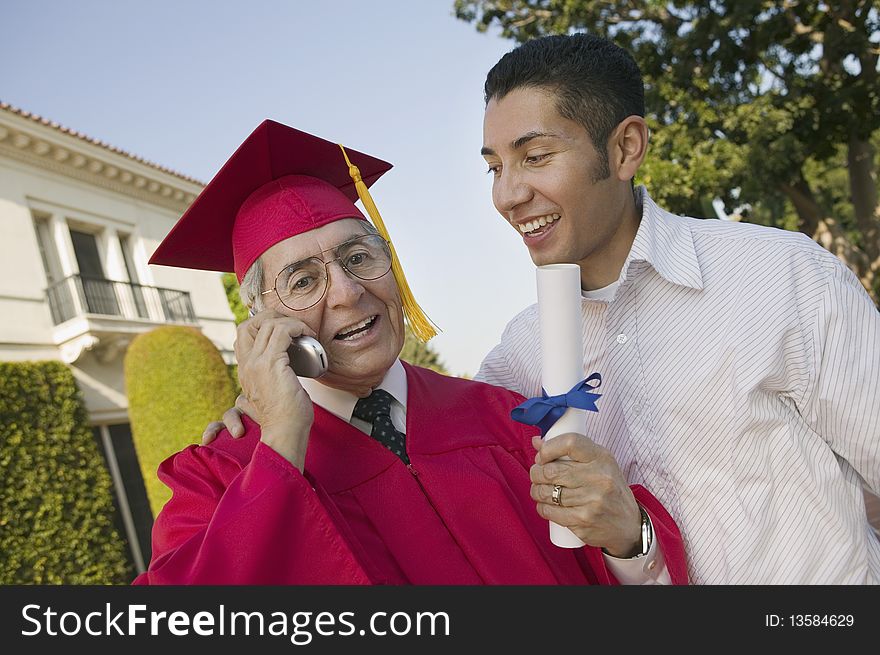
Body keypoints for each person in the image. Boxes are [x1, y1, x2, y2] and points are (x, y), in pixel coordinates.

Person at [208, 34, 880, 585]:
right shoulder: (517, 364)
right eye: (494, 167)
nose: (508, 194)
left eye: (535, 156)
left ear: (625, 148)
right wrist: (269, 407)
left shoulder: (781, 276)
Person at [135, 119, 687, 585]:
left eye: (359, 257)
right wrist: (280, 444)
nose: (349, 292)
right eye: (303, 282)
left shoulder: (502, 418)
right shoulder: (218, 478)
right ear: (263, 324)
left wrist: (630, 539)